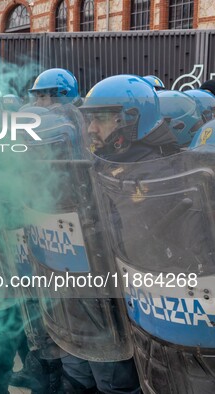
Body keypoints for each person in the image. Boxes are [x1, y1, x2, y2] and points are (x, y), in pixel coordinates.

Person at [80, 74, 185, 394]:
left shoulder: (159, 177)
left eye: (100, 119)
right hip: (112, 309)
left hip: (150, 317)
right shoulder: (106, 165)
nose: (90, 129)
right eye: (88, 120)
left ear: (131, 120)